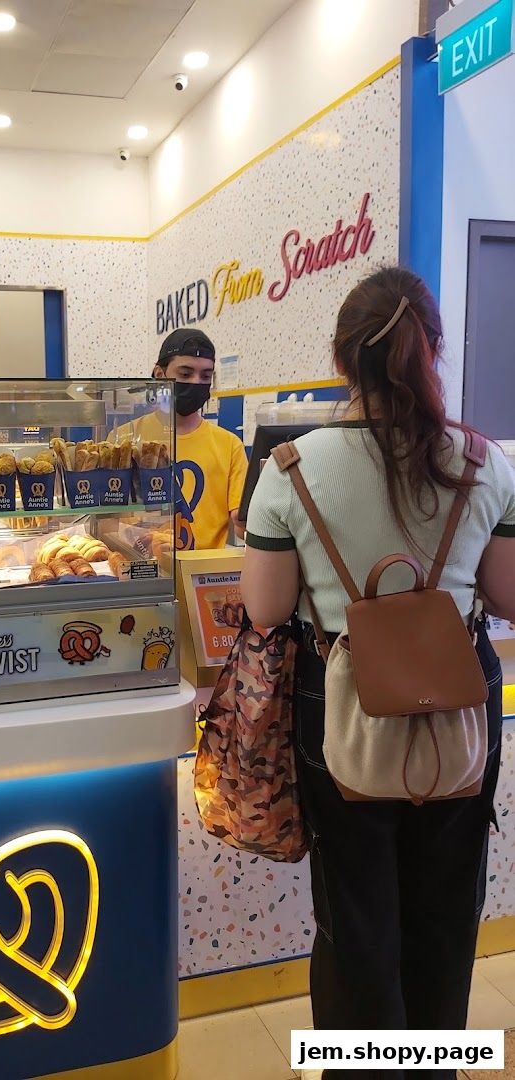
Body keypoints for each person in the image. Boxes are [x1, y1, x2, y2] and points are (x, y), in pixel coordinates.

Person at [241, 267, 515, 1079]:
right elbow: (508, 596)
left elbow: (263, 609)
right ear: (432, 349)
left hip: (342, 703)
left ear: (339, 358)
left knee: (356, 915)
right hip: (459, 703)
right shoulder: (486, 461)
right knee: (445, 909)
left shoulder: (289, 467)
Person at [124, 328, 246, 549]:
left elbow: (242, 525)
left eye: (206, 376)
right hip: (144, 571)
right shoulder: (125, 439)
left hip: (205, 578)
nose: (197, 382)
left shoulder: (230, 446)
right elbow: (108, 520)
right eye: (185, 374)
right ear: (160, 375)